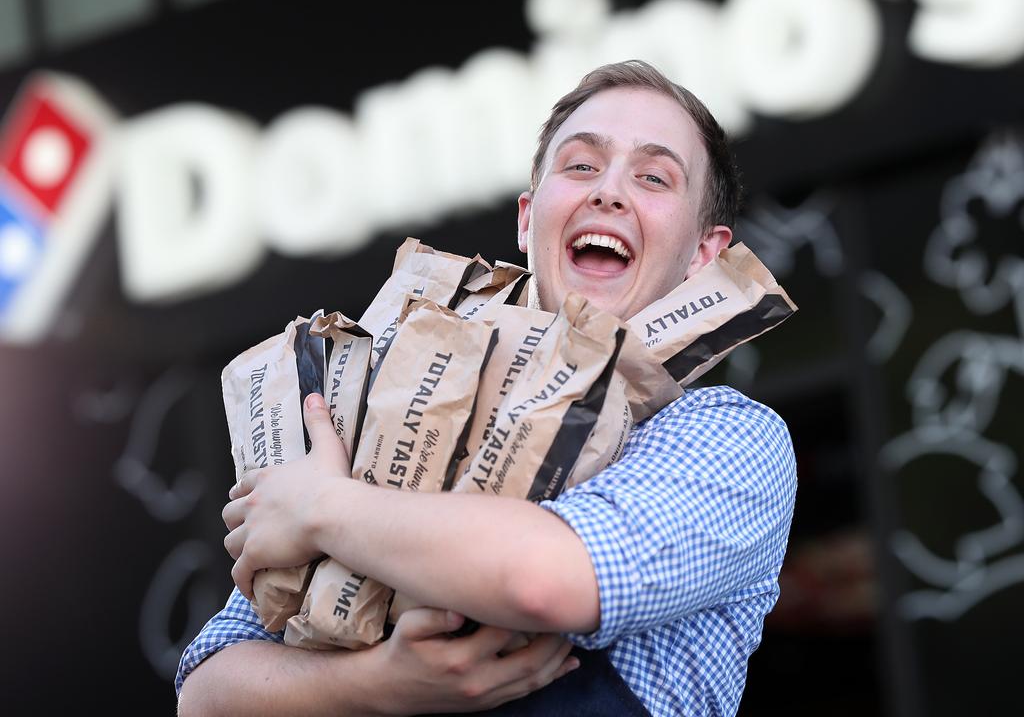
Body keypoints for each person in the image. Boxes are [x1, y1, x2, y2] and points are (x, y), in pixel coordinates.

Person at [176, 60, 797, 716]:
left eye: (653, 177)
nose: (609, 192)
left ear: (704, 254)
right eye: (581, 166)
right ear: (529, 219)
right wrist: (376, 685)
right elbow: (204, 697)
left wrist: (322, 508)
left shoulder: (726, 436)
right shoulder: (386, 403)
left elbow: (546, 581)